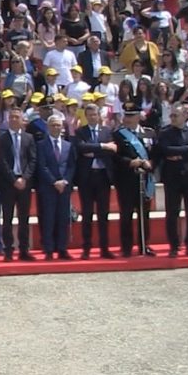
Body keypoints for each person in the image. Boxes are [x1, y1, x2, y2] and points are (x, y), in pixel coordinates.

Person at [157, 106, 188, 257]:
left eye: (175, 115)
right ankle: (174, 246)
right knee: (172, 213)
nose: (172, 118)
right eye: (171, 116)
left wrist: (181, 155)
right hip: (172, 178)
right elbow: (166, 150)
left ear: (185, 116)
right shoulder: (165, 132)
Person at [73, 103, 116, 259]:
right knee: (87, 213)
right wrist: (103, 147)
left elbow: (113, 150)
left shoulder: (107, 131)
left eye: (94, 114)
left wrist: (95, 150)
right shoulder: (80, 132)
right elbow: (82, 148)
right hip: (87, 177)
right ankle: (86, 248)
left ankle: (104, 248)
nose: (92, 117)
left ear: (99, 115)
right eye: (89, 115)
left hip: (103, 176)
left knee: (103, 214)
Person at [113, 107, 157, 257]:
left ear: (138, 116)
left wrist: (152, 163)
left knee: (144, 215)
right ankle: (126, 247)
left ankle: (145, 245)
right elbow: (116, 157)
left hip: (145, 179)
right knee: (126, 214)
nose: (128, 118)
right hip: (127, 180)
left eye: (131, 115)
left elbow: (156, 153)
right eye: (126, 115)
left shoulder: (149, 133)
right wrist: (130, 162)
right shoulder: (118, 135)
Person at [0, 110, 37, 261]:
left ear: (23, 120)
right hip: (8, 183)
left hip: (25, 182)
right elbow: (2, 162)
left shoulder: (29, 138)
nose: (14, 120)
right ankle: (8, 249)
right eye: (11, 117)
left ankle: (24, 250)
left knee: (24, 217)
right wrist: (14, 179)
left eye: (17, 117)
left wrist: (24, 178)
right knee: (7, 218)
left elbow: (33, 160)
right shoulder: (2, 138)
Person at [36, 114, 75, 260]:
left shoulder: (68, 145)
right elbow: (42, 166)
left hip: (64, 187)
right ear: (48, 127)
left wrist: (65, 181)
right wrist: (54, 182)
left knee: (63, 218)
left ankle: (62, 248)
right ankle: (49, 249)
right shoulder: (41, 145)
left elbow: (71, 166)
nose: (56, 127)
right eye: (53, 125)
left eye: (58, 125)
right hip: (48, 187)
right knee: (48, 218)